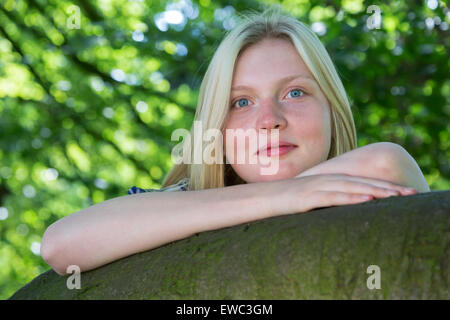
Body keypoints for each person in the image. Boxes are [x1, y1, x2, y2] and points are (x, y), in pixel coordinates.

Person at [41, 5, 429, 276]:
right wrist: (284, 197)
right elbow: (62, 244)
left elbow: (385, 163)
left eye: (295, 93)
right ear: (219, 129)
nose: (269, 121)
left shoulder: (375, 172)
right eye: (241, 102)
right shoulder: (183, 200)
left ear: (333, 109)